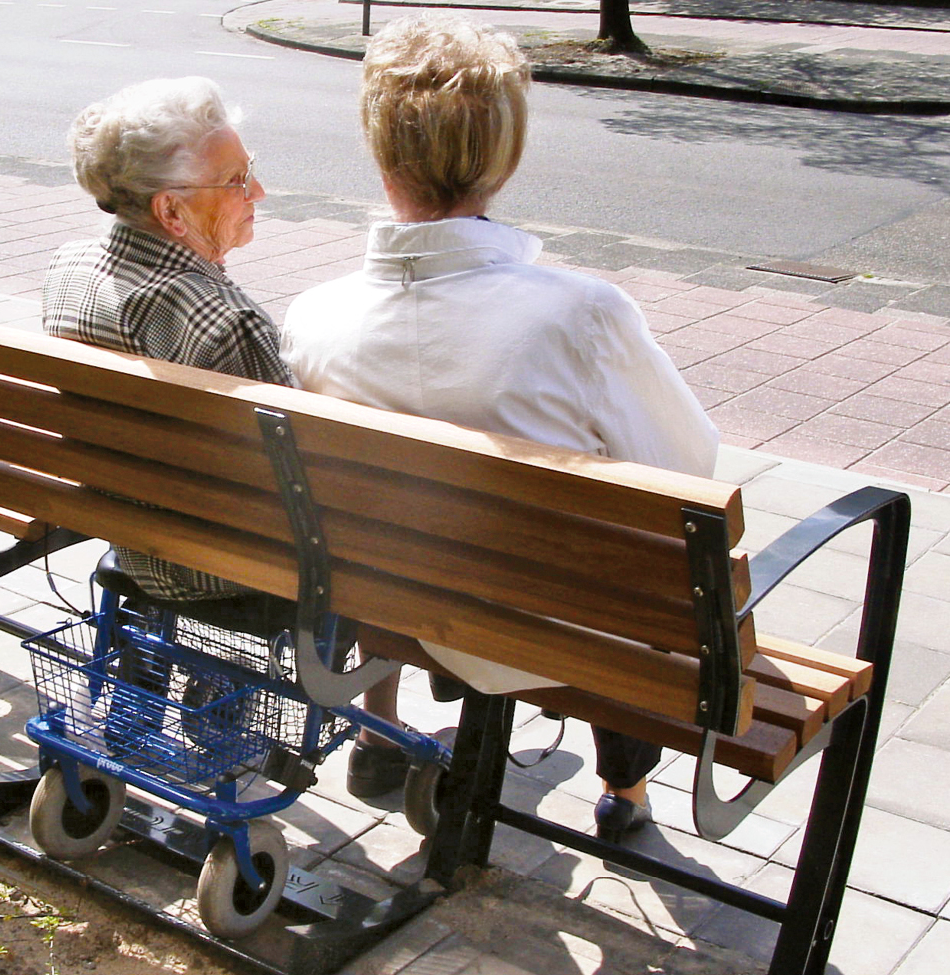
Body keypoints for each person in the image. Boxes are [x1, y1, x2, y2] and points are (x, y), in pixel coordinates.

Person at [280, 15, 720, 842]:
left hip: (387, 606)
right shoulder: (581, 314)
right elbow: (689, 463)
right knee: (637, 558)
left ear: (380, 152)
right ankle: (624, 789)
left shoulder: (313, 318)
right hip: (536, 631)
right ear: (504, 157)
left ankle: (383, 729)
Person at [43, 77, 296, 638]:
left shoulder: (69, 268)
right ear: (172, 212)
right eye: (237, 180)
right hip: (214, 568)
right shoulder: (226, 323)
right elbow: (298, 488)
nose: (259, 192)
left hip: (126, 534)